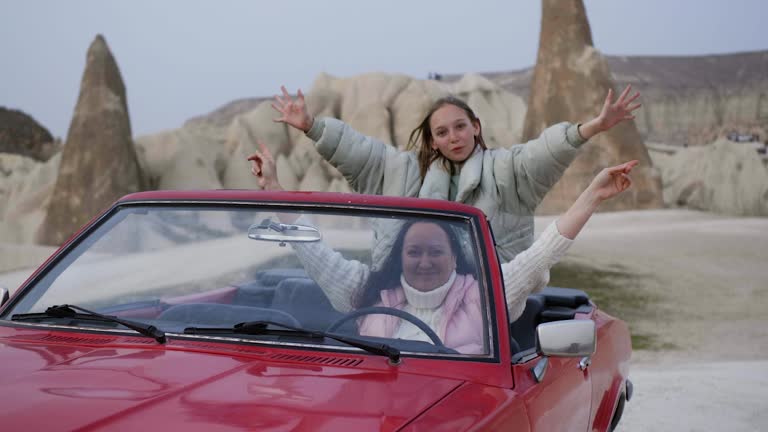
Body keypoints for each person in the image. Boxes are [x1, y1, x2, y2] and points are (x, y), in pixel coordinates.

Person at [248, 143, 638, 354]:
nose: (424, 261)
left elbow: (542, 253)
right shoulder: (366, 291)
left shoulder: (486, 294)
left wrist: (593, 195)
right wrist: (274, 188)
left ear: (454, 256)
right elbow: (316, 254)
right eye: (414, 252)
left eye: (435, 251)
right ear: (400, 256)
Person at [270, 85, 641, 265]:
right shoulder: (403, 170)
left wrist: (593, 126)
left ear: (476, 126)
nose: (454, 137)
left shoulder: (508, 170)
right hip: (405, 295)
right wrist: (312, 126)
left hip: (492, 308)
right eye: (443, 132)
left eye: (460, 127)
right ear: (432, 139)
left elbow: (544, 151)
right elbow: (362, 155)